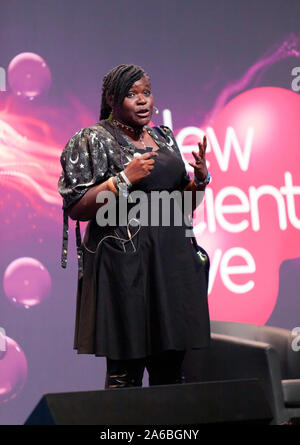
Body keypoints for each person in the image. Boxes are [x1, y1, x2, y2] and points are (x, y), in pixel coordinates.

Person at [57, 64, 211, 389]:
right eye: (131, 94)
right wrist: (123, 180)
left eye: (146, 92)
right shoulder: (93, 139)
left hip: (171, 263)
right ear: (112, 100)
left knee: (170, 372)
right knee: (125, 375)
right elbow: (78, 207)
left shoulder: (163, 137)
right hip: (126, 268)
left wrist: (200, 180)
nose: (142, 101)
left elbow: (182, 204)